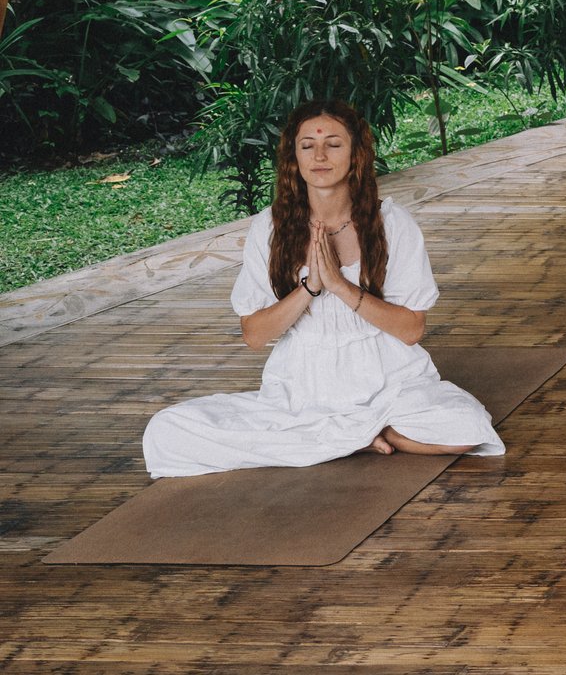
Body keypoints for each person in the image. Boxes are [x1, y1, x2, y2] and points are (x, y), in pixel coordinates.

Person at [142, 101, 499, 477]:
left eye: (334, 143)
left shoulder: (392, 223)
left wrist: (341, 286)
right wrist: (310, 288)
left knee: (466, 428)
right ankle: (355, 436)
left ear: (356, 154)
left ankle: (366, 430)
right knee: (167, 431)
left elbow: (411, 330)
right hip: (301, 388)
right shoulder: (270, 227)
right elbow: (254, 335)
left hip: (389, 381)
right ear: (293, 158)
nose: (320, 155)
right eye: (307, 146)